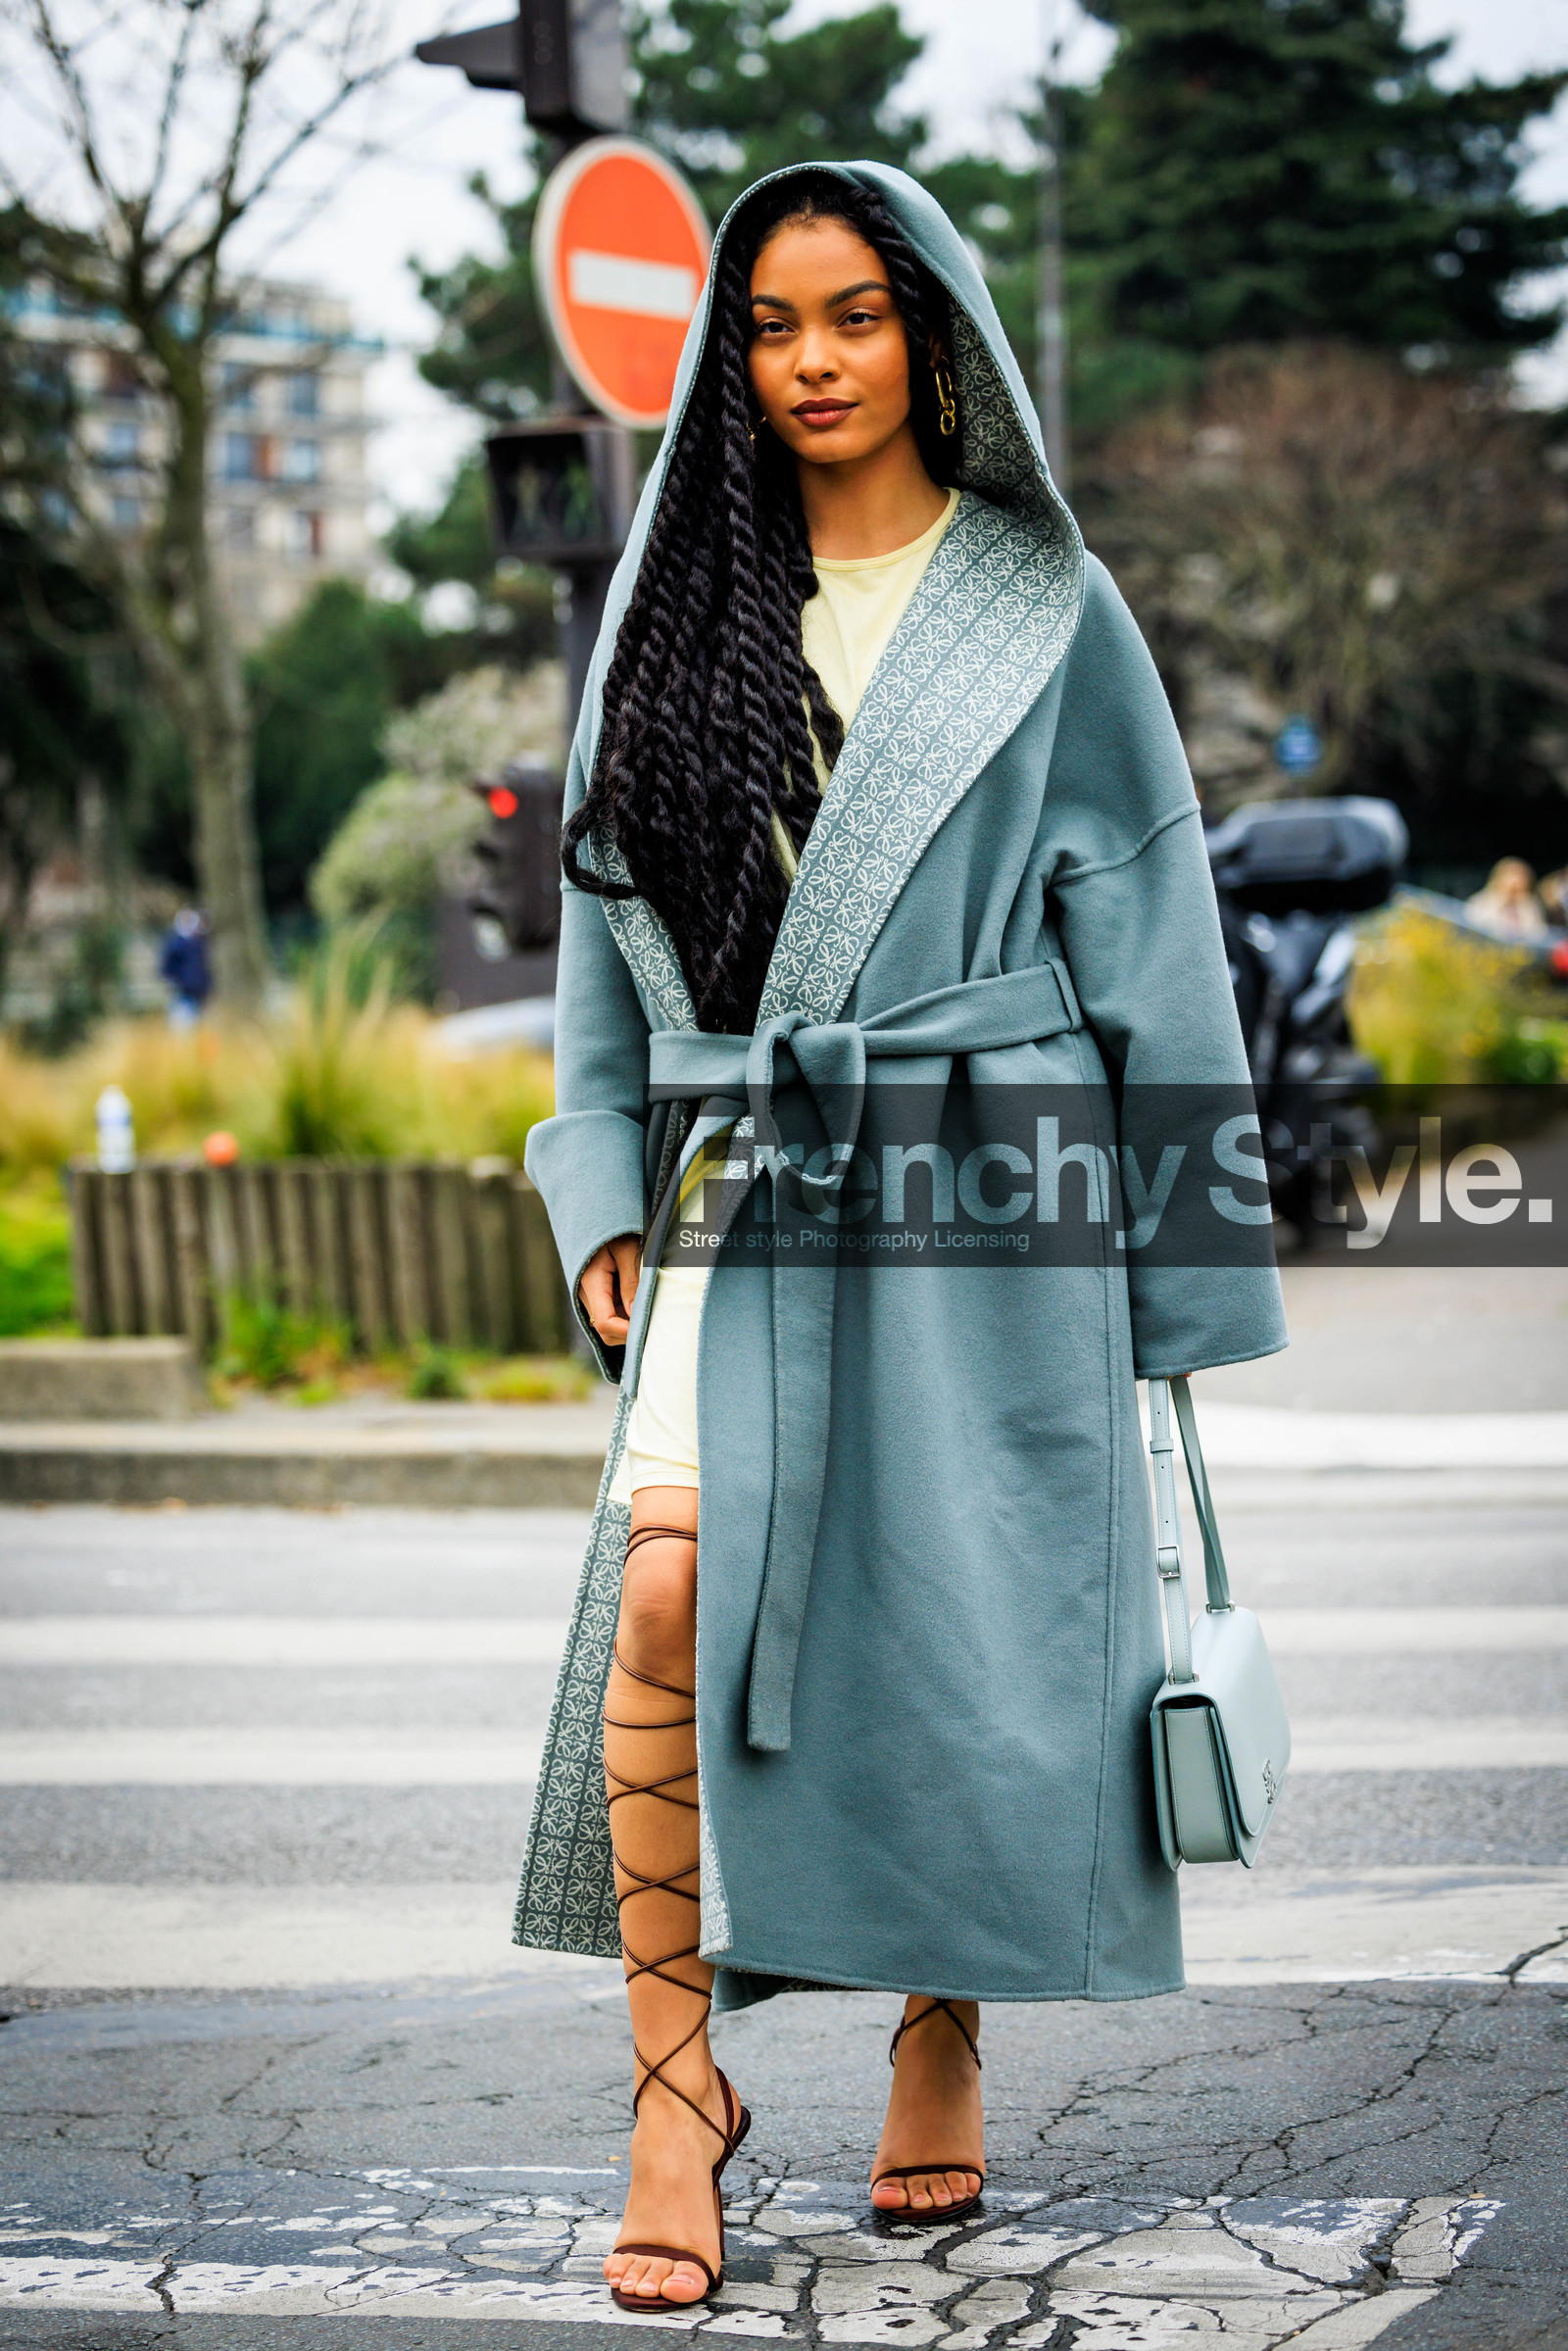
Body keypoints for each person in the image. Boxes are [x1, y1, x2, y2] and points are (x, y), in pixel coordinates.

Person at [515, 162, 1287, 2315]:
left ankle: (936, 2028)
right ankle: (677, 2083)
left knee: (961, 1631)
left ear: (931, 328)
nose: (812, 361)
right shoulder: (671, 607)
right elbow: (604, 948)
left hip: (988, 1177)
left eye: (851, 313)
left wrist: (1175, 1276)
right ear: (730, 355)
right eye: (768, 325)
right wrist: (596, 1197)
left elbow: (1153, 945)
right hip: (746, 1185)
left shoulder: (1045, 605)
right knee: (662, 1590)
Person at [1464, 857, 1548, 943]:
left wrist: (1523, 906)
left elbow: (1539, 935)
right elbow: (1474, 925)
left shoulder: (1531, 906)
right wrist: (1501, 901)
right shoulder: (1482, 900)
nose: (1516, 882)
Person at [159, 908, 211, 1026]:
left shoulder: (200, 942)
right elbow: (167, 968)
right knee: (183, 1025)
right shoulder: (175, 943)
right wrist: (176, 982)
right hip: (182, 992)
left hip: (200, 992)